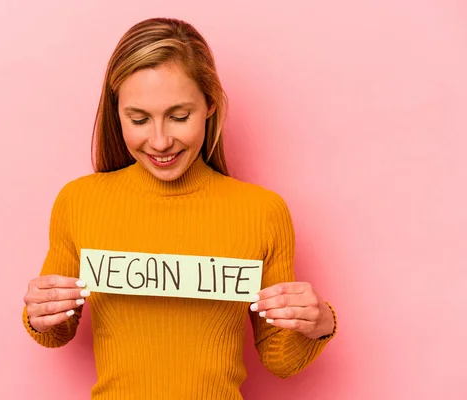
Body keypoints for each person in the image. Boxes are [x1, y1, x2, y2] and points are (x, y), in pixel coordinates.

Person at [22, 17, 337, 399]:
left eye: (179, 116)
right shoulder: (79, 202)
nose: (159, 140)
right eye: (138, 119)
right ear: (116, 111)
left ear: (209, 106)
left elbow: (279, 358)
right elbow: (57, 333)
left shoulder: (262, 211)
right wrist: (41, 314)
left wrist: (318, 322)